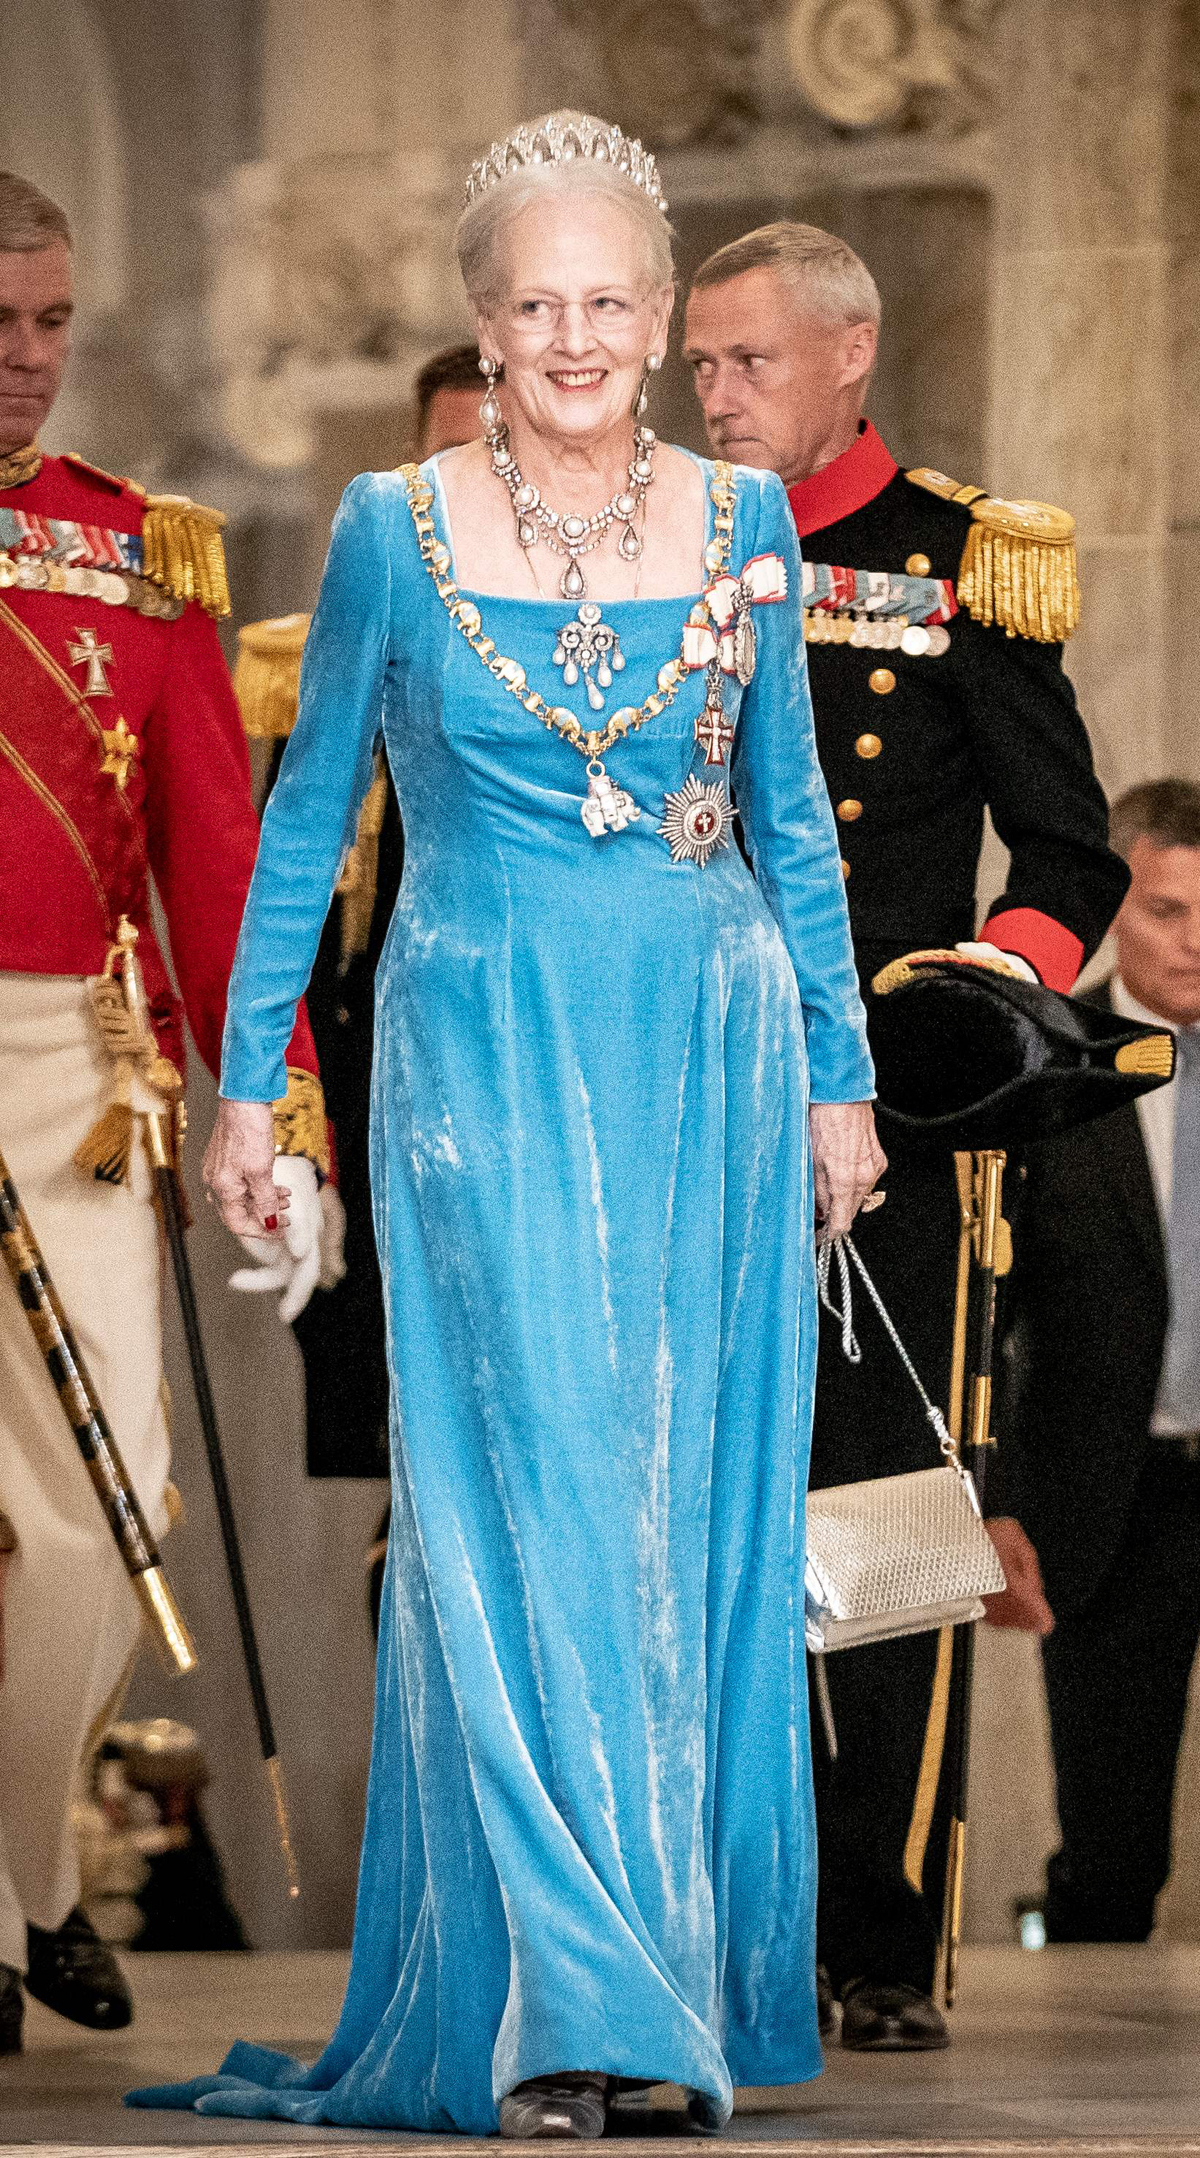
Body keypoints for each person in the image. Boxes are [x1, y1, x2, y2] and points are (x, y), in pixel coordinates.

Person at [127, 111, 881, 2138]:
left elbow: (796, 820)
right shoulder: (392, 522)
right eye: (534, 304)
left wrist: (841, 1077)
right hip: (482, 1052)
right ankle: (573, 1996)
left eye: (610, 302)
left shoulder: (746, 526)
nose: (574, 338)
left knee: (684, 1510)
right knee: (522, 1497)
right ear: (483, 317)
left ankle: (661, 1981)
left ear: (657, 314)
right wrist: (249, 1082)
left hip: (707, 1054)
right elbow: (306, 827)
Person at [684, 222, 1128, 2051]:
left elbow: (1075, 853)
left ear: (851, 354)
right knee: (702, 1526)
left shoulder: (959, 562)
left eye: (749, 362)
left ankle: (880, 1930)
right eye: (696, 364)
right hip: (679, 1101)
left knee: (873, 1533)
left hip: (892, 1127)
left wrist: (969, 990)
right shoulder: (653, 542)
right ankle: (721, 1912)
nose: (712, 397)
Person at [0, 172, 329, 2057]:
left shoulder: (138, 554)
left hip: (79, 1087)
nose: (31, 363)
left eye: (53, 322)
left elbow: (221, 856)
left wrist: (276, 1118)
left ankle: (30, 1875)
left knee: (108, 1517)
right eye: (0, 326)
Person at [234, 343, 484, 1514]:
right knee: (408, 1491)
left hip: (520, 1096)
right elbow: (285, 913)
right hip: (375, 1120)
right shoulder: (332, 654)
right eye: (449, 456)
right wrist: (298, 1137)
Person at [998, 780, 1200, 1945]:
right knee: (1117, 1830)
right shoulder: (1051, 1061)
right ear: (1117, 906)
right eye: (1168, 911)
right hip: (1112, 1486)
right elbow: (994, 1308)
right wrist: (1000, 1501)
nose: (1193, 941)